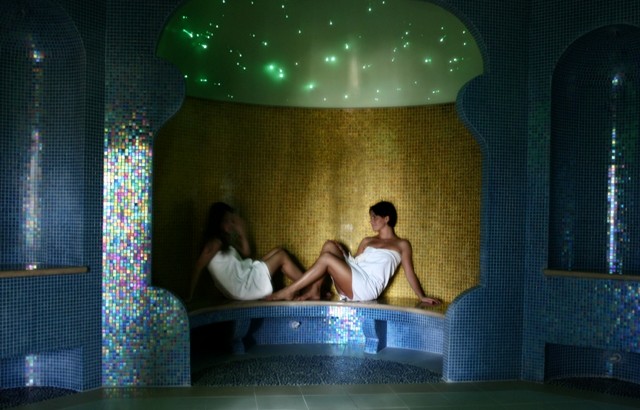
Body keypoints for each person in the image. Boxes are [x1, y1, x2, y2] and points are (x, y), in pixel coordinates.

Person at [266, 201, 441, 305]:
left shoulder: (402, 244)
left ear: (386, 218)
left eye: (375, 217)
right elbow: (356, 265)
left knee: (327, 258)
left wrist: (422, 296)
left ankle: (289, 291)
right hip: (356, 278)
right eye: (371, 217)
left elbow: (410, 273)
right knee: (329, 246)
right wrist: (342, 255)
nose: (371, 221)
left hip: (367, 287)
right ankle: (315, 291)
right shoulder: (367, 241)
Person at [188, 202, 304, 301]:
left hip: (243, 279)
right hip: (242, 286)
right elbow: (198, 266)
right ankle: (308, 285)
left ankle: (304, 285)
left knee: (278, 250)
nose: (231, 224)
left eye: (232, 220)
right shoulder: (214, 243)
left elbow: (246, 253)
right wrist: (190, 296)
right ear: (218, 221)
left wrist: (242, 232)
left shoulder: (223, 241)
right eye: (227, 220)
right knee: (281, 256)